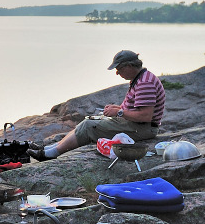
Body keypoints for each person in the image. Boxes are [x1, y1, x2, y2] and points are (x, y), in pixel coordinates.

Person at [29, 50, 165, 161]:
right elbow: (137, 109)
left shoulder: (144, 83)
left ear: (129, 66)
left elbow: (146, 116)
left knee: (89, 126)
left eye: (118, 68)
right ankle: (50, 148)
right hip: (136, 125)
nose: (117, 73)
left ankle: (51, 153)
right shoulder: (140, 78)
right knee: (92, 119)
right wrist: (118, 109)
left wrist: (119, 113)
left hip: (143, 129)